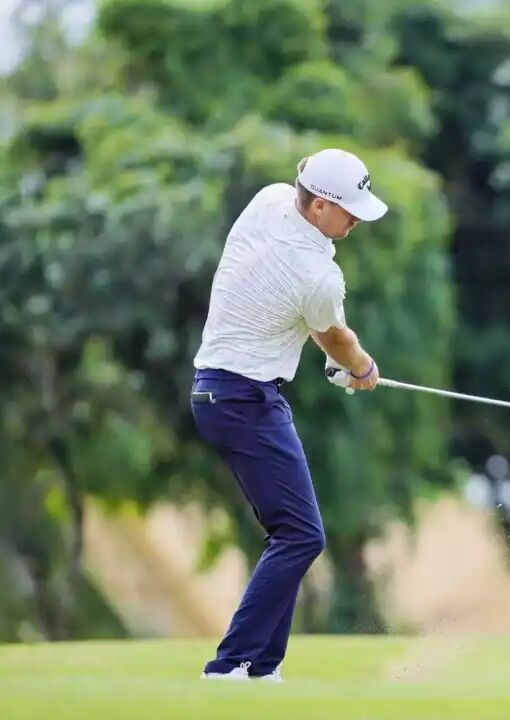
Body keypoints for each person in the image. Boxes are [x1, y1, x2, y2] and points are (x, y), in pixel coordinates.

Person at [189, 148, 386, 682]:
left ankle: (261, 667)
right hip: (243, 398)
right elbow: (335, 337)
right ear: (319, 206)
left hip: (221, 392)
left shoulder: (270, 199)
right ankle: (231, 664)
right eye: (349, 211)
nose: (356, 221)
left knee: (293, 532)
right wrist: (362, 368)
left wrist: (339, 359)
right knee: (301, 535)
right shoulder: (320, 275)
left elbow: (309, 322)